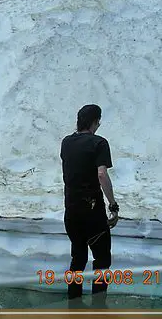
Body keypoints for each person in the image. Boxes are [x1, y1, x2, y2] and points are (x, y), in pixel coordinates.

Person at [60, 104, 119, 308]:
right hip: (92, 214)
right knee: (102, 261)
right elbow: (101, 174)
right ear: (95, 122)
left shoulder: (66, 143)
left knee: (78, 259)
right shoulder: (99, 143)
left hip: (72, 213)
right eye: (98, 121)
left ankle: (73, 305)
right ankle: (98, 306)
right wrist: (113, 205)